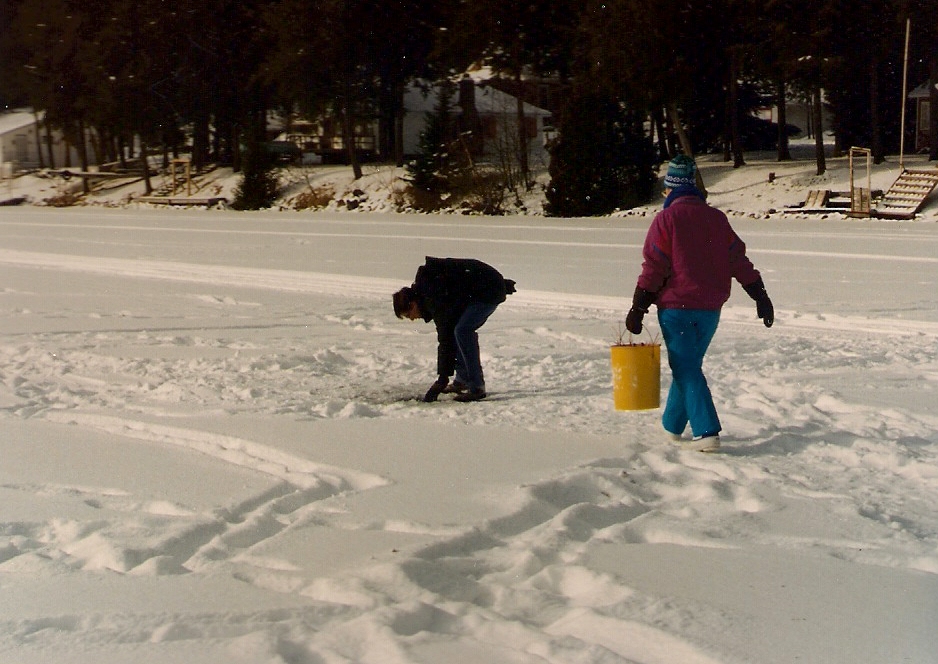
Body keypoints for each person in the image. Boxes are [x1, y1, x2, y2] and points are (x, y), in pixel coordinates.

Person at [625, 154, 774, 452]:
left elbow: (654, 266)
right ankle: (671, 425)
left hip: (676, 309)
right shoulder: (717, 219)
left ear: (671, 189)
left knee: (685, 367)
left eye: (666, 188)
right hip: (709, 310)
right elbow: (738, 260)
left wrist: (638, 307)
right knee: (689, 365)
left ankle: (706, 432)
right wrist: (760, 295)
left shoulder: (666, 219)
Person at [394, 257, 516, 403]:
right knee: (457, 330)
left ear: (412, 304)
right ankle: (462, 380)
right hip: (485, 287)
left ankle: (477, 387)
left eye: (408, 315)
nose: (412, 319)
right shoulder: (429, 290)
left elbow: (445, 339)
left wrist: (442, 380)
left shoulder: (432, 297)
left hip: (489, 292)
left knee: (463, 330)